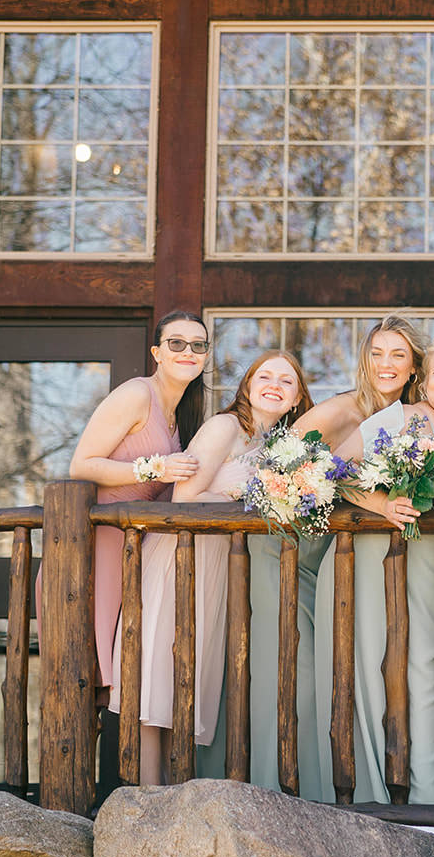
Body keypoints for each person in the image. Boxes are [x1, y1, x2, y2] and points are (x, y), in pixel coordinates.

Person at [245, 315, 425, 801]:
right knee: (289, 673)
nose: (385, 365)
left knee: (325, 678)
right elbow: (281, 468)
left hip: (328, 556)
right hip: (285, 551)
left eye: (398, 356)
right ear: (364, 361)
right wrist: (377, 503)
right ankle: (271, 794)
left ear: (413, 367)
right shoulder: (343, 410)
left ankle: (320, 795)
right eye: (377, 354)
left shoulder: (411, 418)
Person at [112, 350, 310, 785]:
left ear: (297, 399)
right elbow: (185, 500)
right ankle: (149, 795)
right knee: (159, 674)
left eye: (286, 381)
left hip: (217, 561)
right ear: (248, 386)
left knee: (185, 674)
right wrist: (254, 504)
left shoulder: (276, 446)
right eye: (265, 376)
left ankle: (172, 789)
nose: (274, 384)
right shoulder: (225, 427)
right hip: (181, 555)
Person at [323, 335, 434, 803]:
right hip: (389, 570)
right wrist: (382, 503)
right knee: (387, 674)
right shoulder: (405, 419)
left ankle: (431, 796)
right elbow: (335, 468)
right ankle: (382, 793)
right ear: (423, 381)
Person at [60, 311, 208, 695]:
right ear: (158, 352)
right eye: (176, 343)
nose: (187, 352)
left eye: (198, 345)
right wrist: (157, 468)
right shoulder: (136, 394)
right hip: (96, 546)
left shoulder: (184, 414)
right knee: (83, 679)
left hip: (135, 551)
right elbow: (82, 465)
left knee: (118, 683)